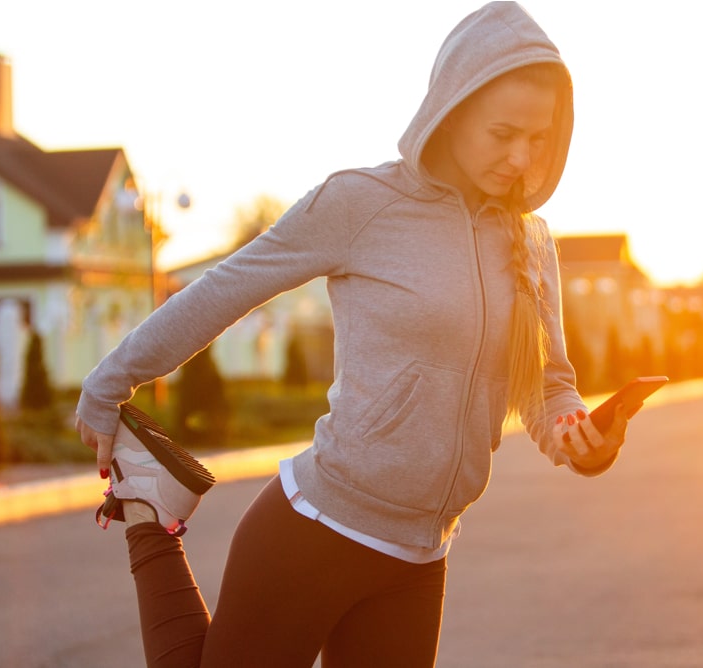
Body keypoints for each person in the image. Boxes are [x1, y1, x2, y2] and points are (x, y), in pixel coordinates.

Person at [76, 2, 632, 666]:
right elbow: (224, 289)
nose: (520, 157)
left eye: (538, 138)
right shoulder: (360, 205)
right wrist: (110, 383)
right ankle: (147, 512)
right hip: (319, 529)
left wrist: (581, 438)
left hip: (421, 554)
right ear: (449, 112)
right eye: (502, 132)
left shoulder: (532, 242)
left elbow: (547, 387)